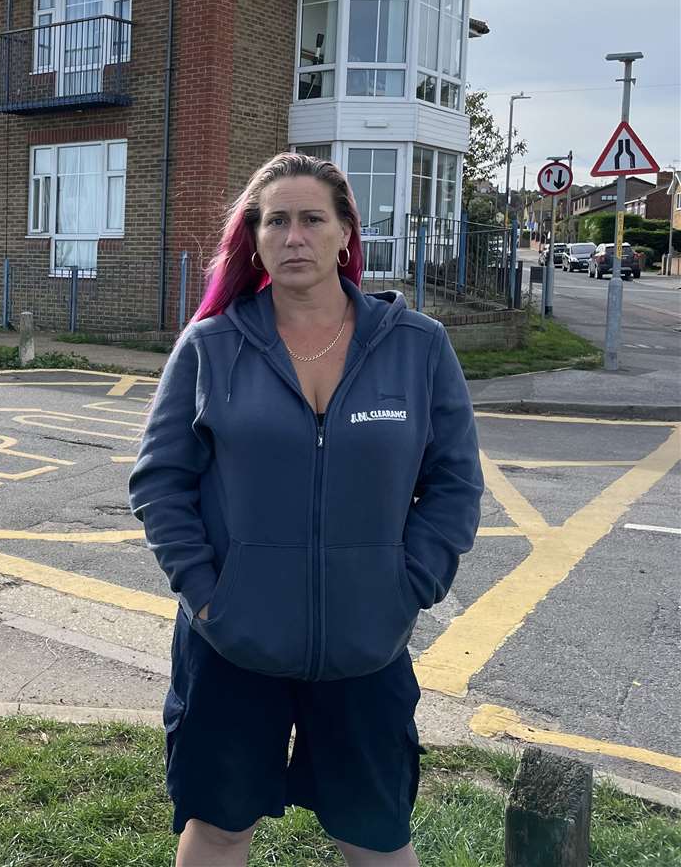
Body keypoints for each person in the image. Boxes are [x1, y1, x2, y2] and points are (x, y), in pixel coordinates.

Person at [130, 153, 482, 866]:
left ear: (347, 233)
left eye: (313, 219)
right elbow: (161, 482)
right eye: (276, 221)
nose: (294, 236)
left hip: (366, 648)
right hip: (232, 646)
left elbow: (454, 483)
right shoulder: (212, 347)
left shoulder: (417, 347)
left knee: (376, 835)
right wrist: (207, 598)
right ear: (254, 239)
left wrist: (407, 587)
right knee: (220, 828)